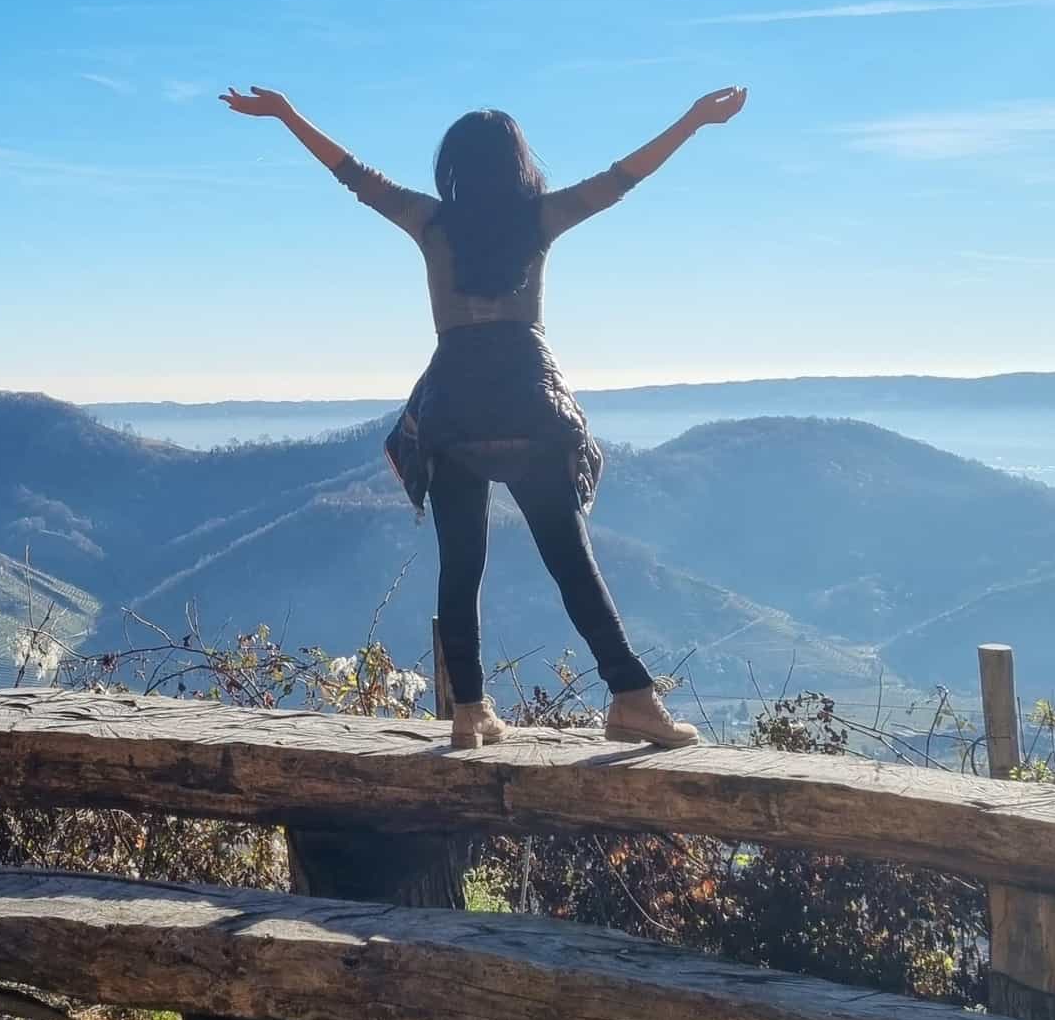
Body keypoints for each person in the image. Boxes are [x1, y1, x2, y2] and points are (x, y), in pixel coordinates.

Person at [220, 83, 748, 749]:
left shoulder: (430, 222)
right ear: (519, 164)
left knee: (460, 566)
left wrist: (287, 114)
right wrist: (694, 120)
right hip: (530, 402)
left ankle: (469, 714)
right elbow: (622, 178)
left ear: (454, 168)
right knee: (572, 564)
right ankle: (632, 700)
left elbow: (353, 175)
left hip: (454, 408)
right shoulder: (541, 220)